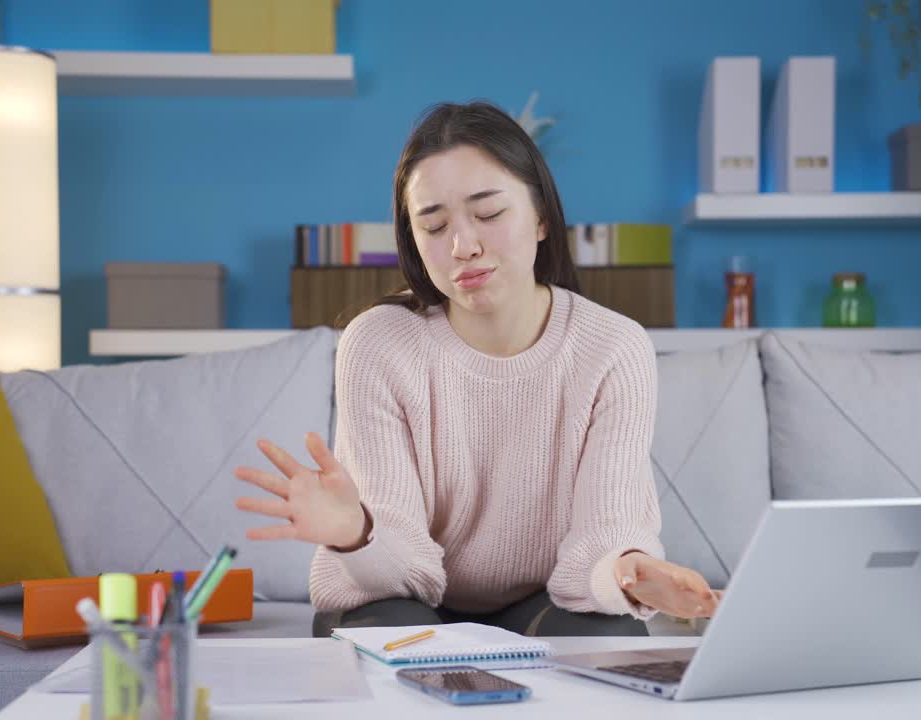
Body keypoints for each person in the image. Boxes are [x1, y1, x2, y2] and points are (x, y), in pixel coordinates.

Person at [234, 100, 721, 638]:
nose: (463, 247)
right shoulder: (377, 344)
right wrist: (357, 532)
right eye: (434, 225)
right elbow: (397, 565)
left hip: (541, 601)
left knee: (610, 635)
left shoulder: (613, 348)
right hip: (397, 594)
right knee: (396, 635)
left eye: (488, 215)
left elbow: (607, 534)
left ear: (541, 217)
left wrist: (631, 572)